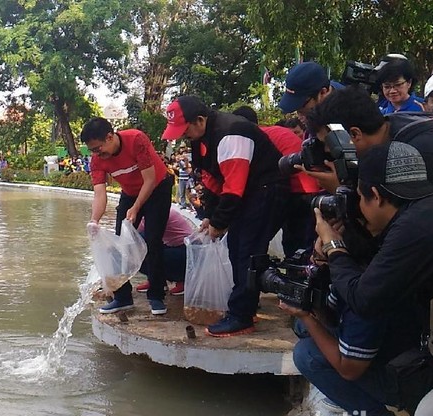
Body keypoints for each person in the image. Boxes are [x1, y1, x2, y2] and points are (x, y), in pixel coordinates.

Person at [280, 141, 433, 416]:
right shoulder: (421, 211)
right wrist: (324, 255)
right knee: (309, 330)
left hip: (408, 372)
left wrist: (333, 246)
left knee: (307, 352)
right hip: (409, 345)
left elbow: (362, 303)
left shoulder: (407, 234)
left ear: (376, 195)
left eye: (361, 199)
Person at [161, 95, 287, 336]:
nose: (182, 136)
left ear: (199, 120)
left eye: (184, 129)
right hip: (246, 193)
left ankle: (242, 316)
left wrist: (219, 222)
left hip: (265, 191)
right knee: (236, 248)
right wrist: (210, 215)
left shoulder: (231, 133)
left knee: (247, 251)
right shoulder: (201, 139)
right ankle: (244, 307)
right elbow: (212, 180)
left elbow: (234, 187)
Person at [82, 117, 173, 316]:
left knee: (153, 240)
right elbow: (99, 193)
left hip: (157, 188)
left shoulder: (136, 140)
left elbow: (149, 180)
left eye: (98, 149)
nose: (97, 154)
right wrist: (94, 220)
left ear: (109, 137)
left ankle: (156, 295)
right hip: (130, 193)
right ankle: (122, 297)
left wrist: (136, 207)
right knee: (118, 243)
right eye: (93, 151)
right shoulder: (97, 160)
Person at [305, 85, 433, 188]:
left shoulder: (420, 153)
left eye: (329, 143)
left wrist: (340, 190)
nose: (328, 151)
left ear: (355, 134)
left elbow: (413, 218)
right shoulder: (389, 127)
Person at [232, 106, 321, 256]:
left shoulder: (254, 138)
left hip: (297, 190)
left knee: (256, 242)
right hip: (307, 188)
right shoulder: (273, 132)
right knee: (297, 244)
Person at [134, 207, 195, 296]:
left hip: (185, 250)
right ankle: (157, 280)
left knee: (141, 251)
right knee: (142, 243)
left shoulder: (155, 213)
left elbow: (134, 233)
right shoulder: (154, 211)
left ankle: (181, 279)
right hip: (178, 247)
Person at [278, 61, 344, 134]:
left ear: (323, 92)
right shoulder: (319, 112)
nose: (299, 113)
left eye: (302, 105)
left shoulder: (350, 114)